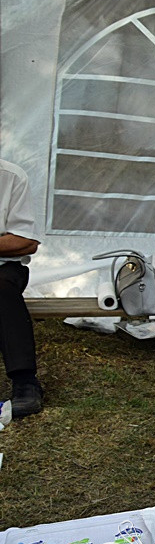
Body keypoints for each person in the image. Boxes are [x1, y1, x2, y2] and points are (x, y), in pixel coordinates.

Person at [0, 159, 43, 418]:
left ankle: (25, 381)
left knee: (1, 287)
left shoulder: (11, 177)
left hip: (4, 266)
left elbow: (26, 241)